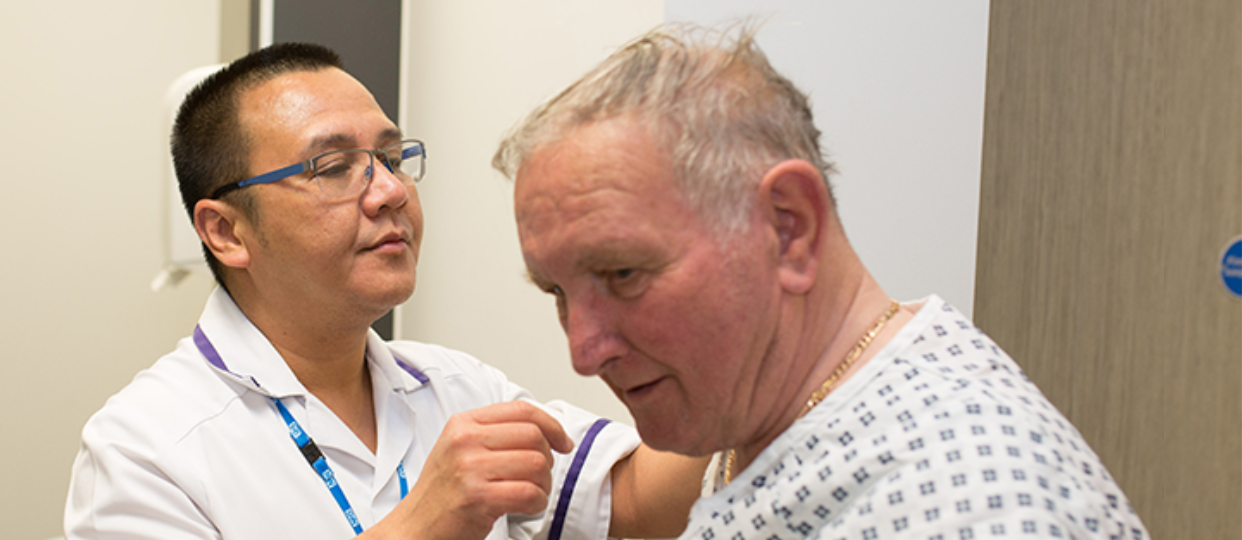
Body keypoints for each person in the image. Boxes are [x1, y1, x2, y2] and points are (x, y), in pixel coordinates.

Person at [497, 25, 1150, 540]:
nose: (583, 352)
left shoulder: (966, 507)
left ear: (790, 227)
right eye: (557, 293)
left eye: (623, 274)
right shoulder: (769, 423)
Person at [64, 43, 701, 540]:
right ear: (226, 231)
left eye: (392, 158)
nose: (391, 191)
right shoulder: (144, 450)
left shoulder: (458, 389)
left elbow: (642, 496)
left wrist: (758, 365)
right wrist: (420, 527)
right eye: (333, 167)